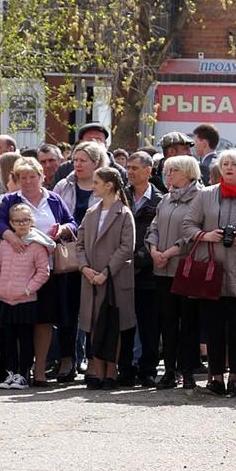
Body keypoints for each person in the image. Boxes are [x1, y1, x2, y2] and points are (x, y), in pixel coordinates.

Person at [182, 149, 236, 396]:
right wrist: (206, 235)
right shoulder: (205, 195)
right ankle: (216, 376)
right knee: (213, 326)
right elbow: (187, 224)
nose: (229, 168)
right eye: (225, 164)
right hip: (211, 269)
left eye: (234, 164)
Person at [0, 158, 77, 385]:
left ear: (41, 177)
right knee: (18, 323)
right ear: (16, 180)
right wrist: (10, 236)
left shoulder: (54, 199)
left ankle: (39, 370)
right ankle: (20, 371)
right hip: (16, 272)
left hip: (46, 270)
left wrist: (64, 228)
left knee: (43, 320)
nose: (28, 181)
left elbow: (72, 222)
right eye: (23, 177)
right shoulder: (11, 200)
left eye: (32, 176)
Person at [146, 155, 203, 390]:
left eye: (173, 171)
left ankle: (187, 370)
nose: (167, 176)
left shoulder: (201, 197)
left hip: (185, 268)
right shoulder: (166, 199)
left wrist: (169, 252)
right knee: (168, 322)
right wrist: (153, 250)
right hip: (162, 270)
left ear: (188, 173)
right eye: (167, 171)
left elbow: (196, 231)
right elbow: (155, 226)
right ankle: (169, 370)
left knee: (188, 322)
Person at [77, 167, 137, 390]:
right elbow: (80, 243)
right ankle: (97, 371)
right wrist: (85, 268)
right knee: (93, 323)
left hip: (114, 279)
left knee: (113, 324)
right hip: (91, 279)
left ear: (109, 185)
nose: (92, 186)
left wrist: (106, 272)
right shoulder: (91, 212)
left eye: (96, 182)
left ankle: (112, 372)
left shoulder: (123, 213)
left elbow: (126, 247)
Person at [52, 142, 108, 378]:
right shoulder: (63, 186)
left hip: (96, 257)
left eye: (83, 160)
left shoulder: (106, 186)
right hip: (68, 256)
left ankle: (92, 362)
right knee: (67, 309)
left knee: (92, 312)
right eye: (75, 160)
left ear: (96, 163)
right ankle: (67, 360)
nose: (77, 164)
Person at [0, 203, 52, 390]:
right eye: (17, 221)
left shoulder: (37, 245)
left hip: (25, 300)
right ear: (11, 223)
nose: (22, 224)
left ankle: (23, 374)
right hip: (5, 298)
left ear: (32, 221)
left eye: (25, 220)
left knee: (25, 339)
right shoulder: (5, 243)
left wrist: (28, 289)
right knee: (8, 338)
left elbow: (43, 271)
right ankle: (11, 373)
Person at [124, 151, 162, 387]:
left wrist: (138, 260)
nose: (129, 172)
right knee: (125, 324)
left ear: (149, 171)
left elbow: (160, 235)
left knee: (150, 325)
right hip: (122, 272)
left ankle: (148, 369)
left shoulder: (161, 200)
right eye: (128, 167)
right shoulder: (120, 197)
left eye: (135, 168)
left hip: (149, 275)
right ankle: (125, 369)